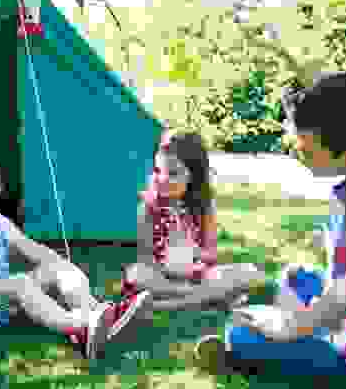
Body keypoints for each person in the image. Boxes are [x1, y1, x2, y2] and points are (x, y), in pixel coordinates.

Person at [195, 71, 346, 382]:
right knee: (297, 276)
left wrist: (289, 327)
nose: (297, 152)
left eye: (305, 147)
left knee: (241, 335)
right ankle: (309, 326)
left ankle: (257, 351)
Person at [0, 97, 151, 360]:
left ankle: (99, 314)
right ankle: (80, 327)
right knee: (19, 282)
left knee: (55, 268)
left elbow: (33, 250)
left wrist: (65, 272)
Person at [112, 129, 268, 324]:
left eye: (173, 173)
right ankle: (205, 298)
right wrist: (166, 269)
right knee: (136, 274)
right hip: (164, 279)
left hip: (196, 276)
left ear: (193, 175)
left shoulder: (203, 207)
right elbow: (145, 259)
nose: (163, 179)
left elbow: (211, 253)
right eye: (158, 171)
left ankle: (164, 305)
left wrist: (194, 256)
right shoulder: (147, 208)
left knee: (251, 273)